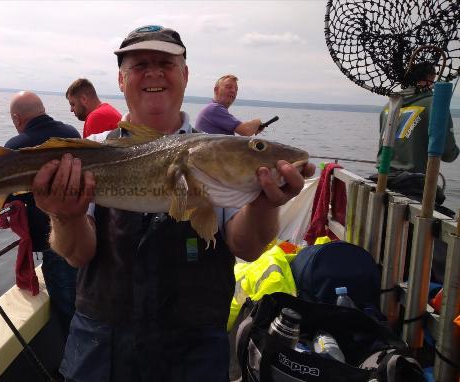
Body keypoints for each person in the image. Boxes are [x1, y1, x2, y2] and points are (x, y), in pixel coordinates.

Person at [31, 26, 314, 381]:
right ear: (121, 79)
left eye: (165, 62)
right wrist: (66, 216)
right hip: (103, 348)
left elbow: (248, 247)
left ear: (185, 74)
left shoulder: (215, 154)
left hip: (194, 350)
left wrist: (263, 204)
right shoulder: (93, 151)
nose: (153, 72)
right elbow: (77, 255)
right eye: (139, 65)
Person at [4, 91, 80, 336]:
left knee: (66, 305)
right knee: (82, 300)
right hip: (79, 232)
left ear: (17, 118)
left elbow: (5, 197)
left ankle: (72, 364)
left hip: (52, 242)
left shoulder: (15, 147)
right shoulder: (71, 134)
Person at [374, 61, 458, 208]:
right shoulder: (435, 103)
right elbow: (448, 154)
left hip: (382, 180)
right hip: (411, 187)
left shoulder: (389, 106)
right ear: (430, 78)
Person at [195, 74, 263, 136]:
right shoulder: (214, 109)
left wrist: (253, 127)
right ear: (216, 90)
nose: (233, 91)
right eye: (229, 87)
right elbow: (245, 130)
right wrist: (258, 122)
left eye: (236, 89)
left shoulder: (213, 109)